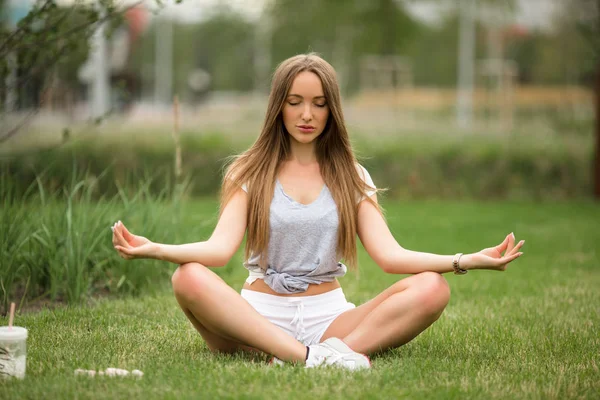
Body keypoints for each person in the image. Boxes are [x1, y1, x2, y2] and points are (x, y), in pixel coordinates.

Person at [111, 53, 525, 370]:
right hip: (257, 317)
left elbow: (390, 256)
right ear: (279, 106)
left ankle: (314, 354)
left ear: (332, 110)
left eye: (318, 103)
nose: (306, 115)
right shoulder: (248, 170)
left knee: (433, 289)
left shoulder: (351, 174)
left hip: (329, 317)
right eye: (295, 102)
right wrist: (157, 248)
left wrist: (464, 260)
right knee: (188, 278)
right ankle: (313, 358)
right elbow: (218, 252)